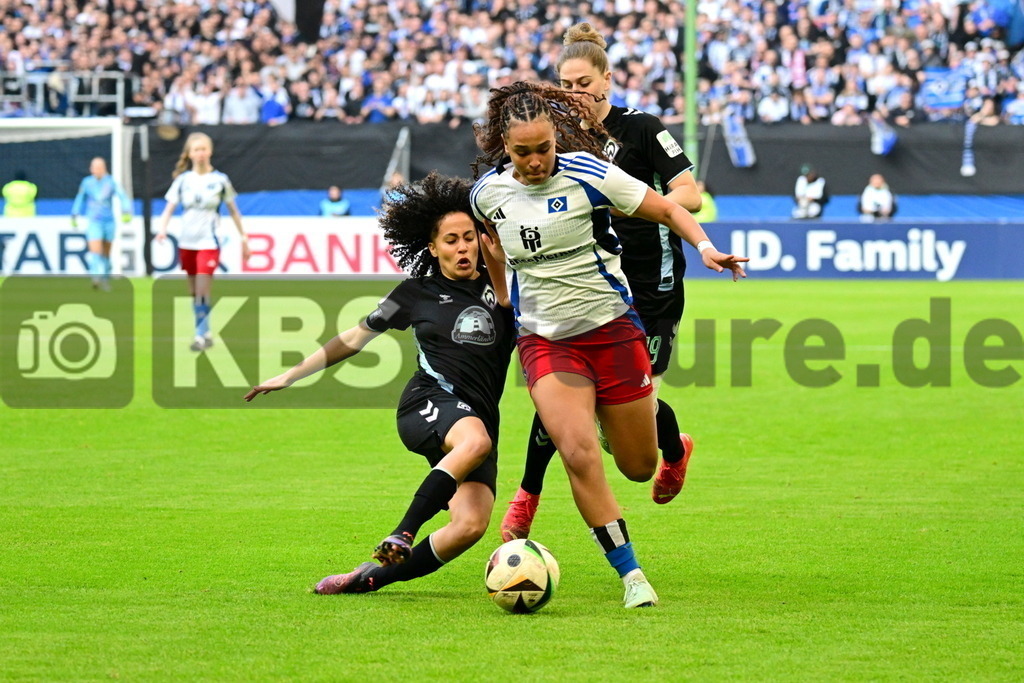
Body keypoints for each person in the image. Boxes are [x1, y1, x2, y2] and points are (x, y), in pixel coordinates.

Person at [470, 82, 748, 608]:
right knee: (577, 453)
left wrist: (708, 248)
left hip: (613, 330)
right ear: (504, 147)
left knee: (637, 465)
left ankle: (670, 445)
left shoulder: (591, 174)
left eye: (544, 148)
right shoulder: (487, 193)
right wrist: (505, 299)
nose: (534, 161)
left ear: (557, 137)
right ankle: (632, 575)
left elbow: (667, 210)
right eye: (522, 152)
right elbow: (493, 246)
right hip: (547, 342)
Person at [245, 172, 515, 596]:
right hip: (428, 403)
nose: (463, 247)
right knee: (476, 443)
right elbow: (355, 337)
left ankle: (368, 579)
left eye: (470, 237)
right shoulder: (415, 293)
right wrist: (290, 374)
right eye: (451, 240)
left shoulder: (508, 289)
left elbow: (507, 303)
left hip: (476, 421)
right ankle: (404, 532)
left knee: (470, 526)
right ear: (432, 248)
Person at [499, 22, 709, 552]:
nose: (574, 94)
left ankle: (674, 450)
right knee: (564, 398)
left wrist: (635, 201)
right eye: (564, 84)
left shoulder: (641, 129)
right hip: (585, 284)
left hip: (651, 284)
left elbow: (691, 194)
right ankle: (527, 494)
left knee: (629, 412)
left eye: (583, 83)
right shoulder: (554, 141)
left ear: (607, 80)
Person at [156, 133, 251, 352]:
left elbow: (234, 212)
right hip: (187, 242)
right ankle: (206, 331)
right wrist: (162, 230)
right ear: (189, 154)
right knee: (194, 292)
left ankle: (199, 336)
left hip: (209, 242)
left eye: (203, 149)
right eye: (195, 150)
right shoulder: (183, 181)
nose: (200, 153)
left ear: (210, 151)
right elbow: (169, 208)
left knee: (201, 288)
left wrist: (244, 239)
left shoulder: (219, 180)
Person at [71, 157, 132, 290]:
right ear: (91, 169)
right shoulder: (87, 183)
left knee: (105, 253)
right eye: (94, 167)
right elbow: (80, 198)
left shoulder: (110, 182)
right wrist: (75, 213)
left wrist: (127, 210)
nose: (96, 170)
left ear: (104, 168)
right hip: (94, 221)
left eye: (99, 167)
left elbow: (122, 196)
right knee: (95, 250)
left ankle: (105, 277)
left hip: (109, 222)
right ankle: (96, 277)